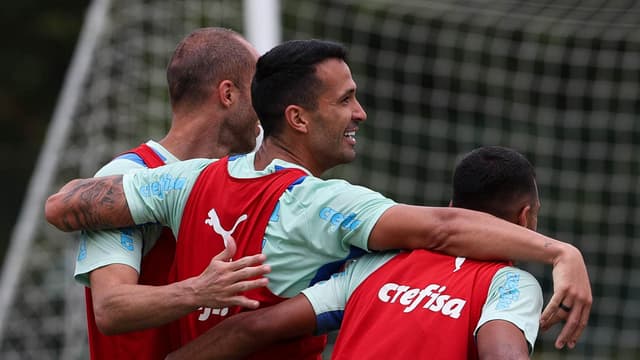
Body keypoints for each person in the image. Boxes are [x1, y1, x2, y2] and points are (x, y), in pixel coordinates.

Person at [45, 40, 591, 357]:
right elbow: (443, 227)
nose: (360, 114)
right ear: (299, 118)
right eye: (347, 99)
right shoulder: (323, 204)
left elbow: (64, 206)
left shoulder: (183, 180)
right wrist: (560, 252)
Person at [164, 146, 546, 360]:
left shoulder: (377, 263)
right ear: (526, 217)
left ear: (450, 204)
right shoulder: (511, 285)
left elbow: (253, 326)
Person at [72, 27, 271, 360]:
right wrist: (200, 291)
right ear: (228, 94)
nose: (266, 108)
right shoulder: (125, 180)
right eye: (259, 90)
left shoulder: (240, 181)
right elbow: (111, 307)